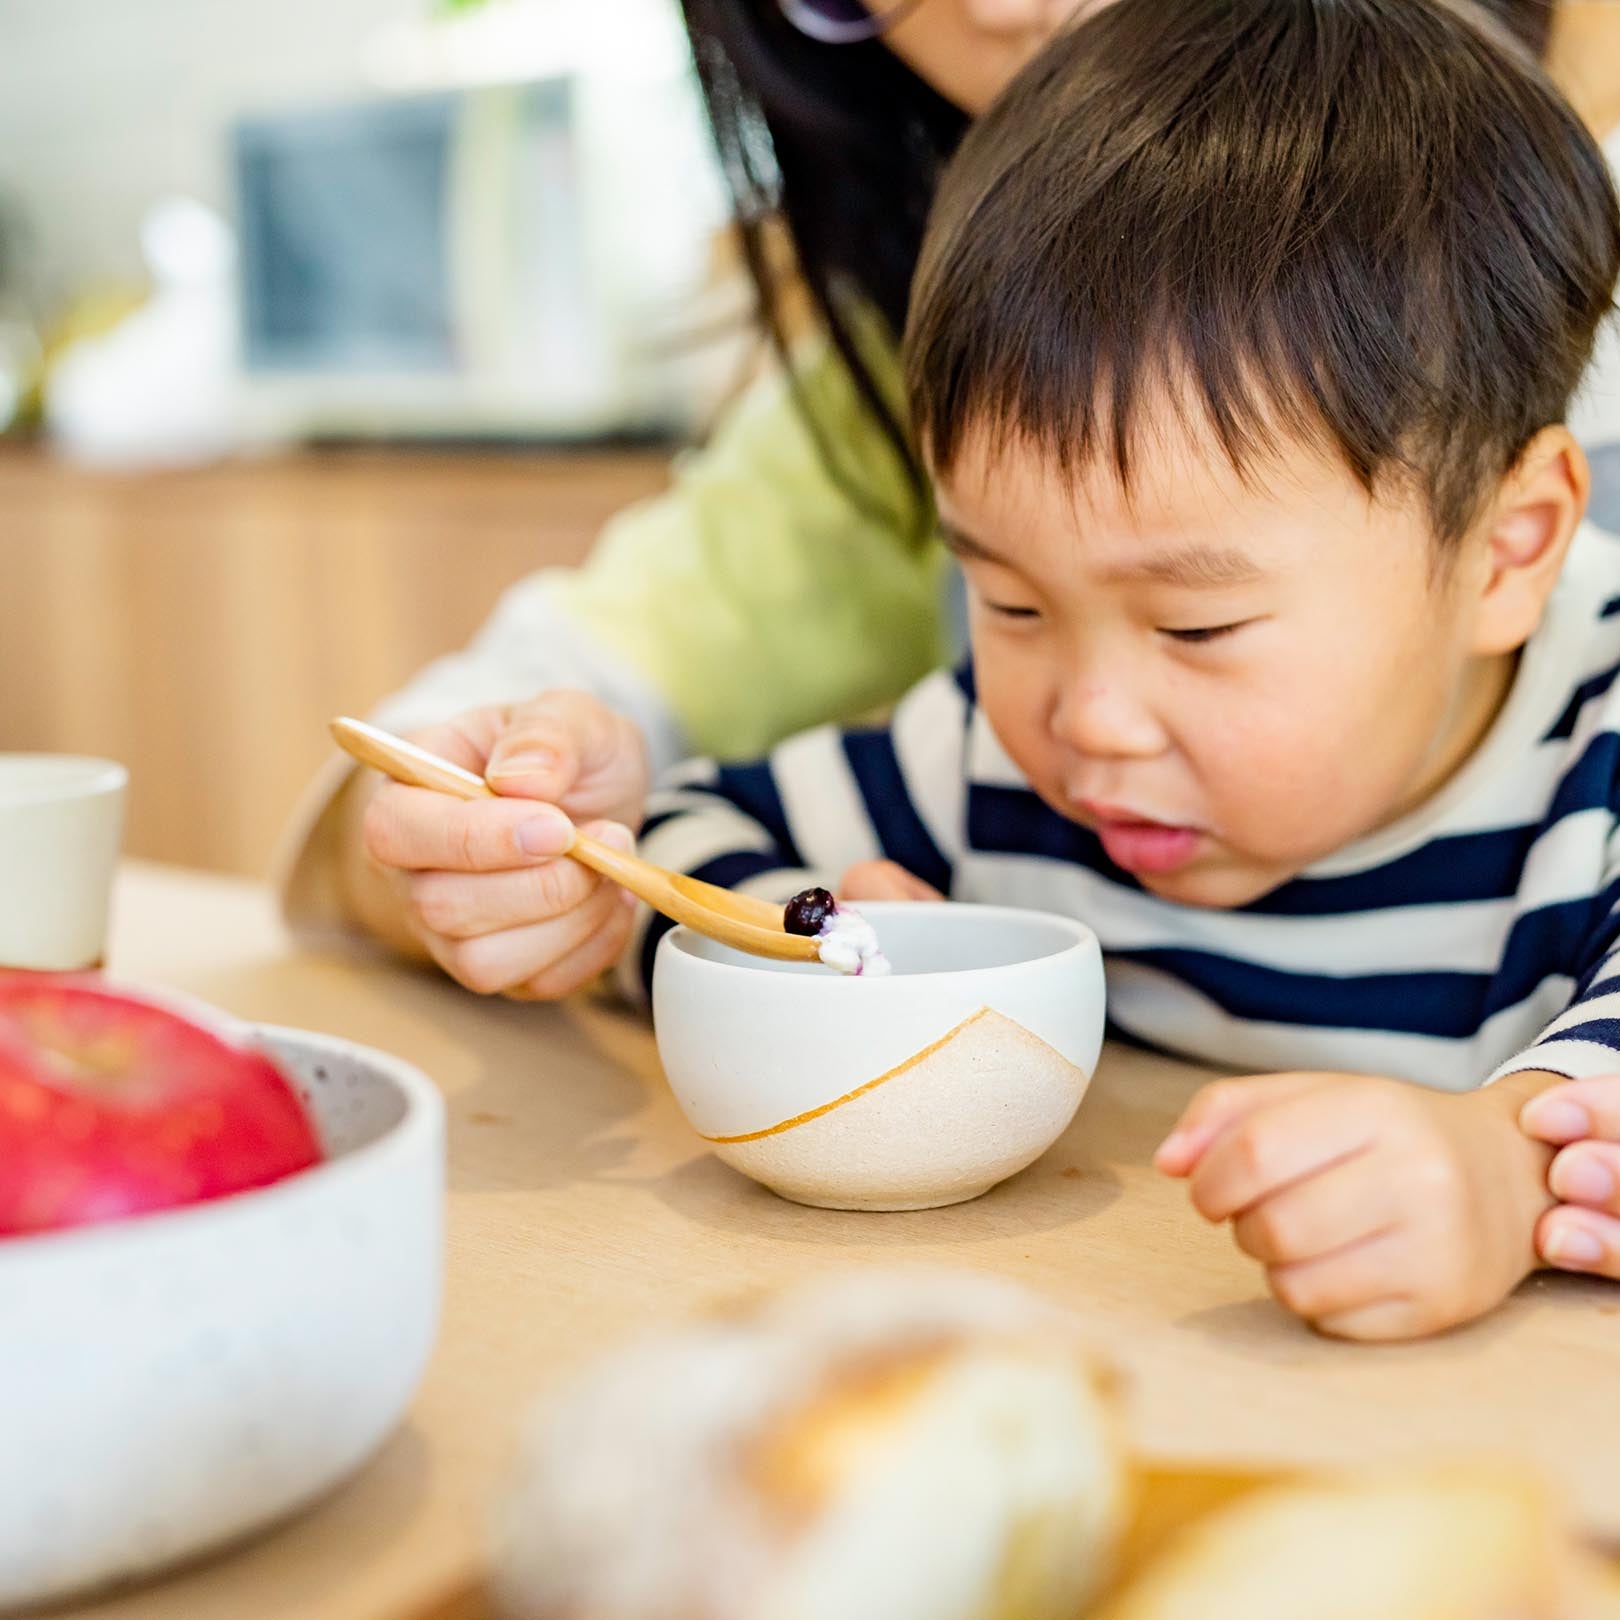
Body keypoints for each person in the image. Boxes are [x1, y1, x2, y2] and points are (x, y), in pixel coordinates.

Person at [277, 0, 1620, 1277]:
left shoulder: (1589, 756)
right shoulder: (984, 753)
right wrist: (747, 922)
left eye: (1197, 623)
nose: (1084, 715)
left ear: (1511, 546)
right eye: (1013, 602)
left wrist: (1504, 1171)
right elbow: (685, 843)